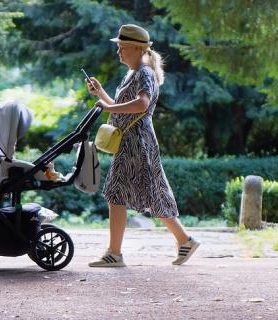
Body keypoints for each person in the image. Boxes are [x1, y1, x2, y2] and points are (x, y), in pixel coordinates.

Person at [86, 24, 200, 267]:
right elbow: (121, 105)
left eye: (122, 47)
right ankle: (184, 241)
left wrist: (108, 107)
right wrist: (101, 94)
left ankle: (115, 253)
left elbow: (141, 105)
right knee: (151, 192)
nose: (118, 51)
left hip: (137, 141)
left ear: (138, 48)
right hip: (133, 141)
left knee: (120, 192)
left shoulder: (144, 73)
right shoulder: (133, 73)